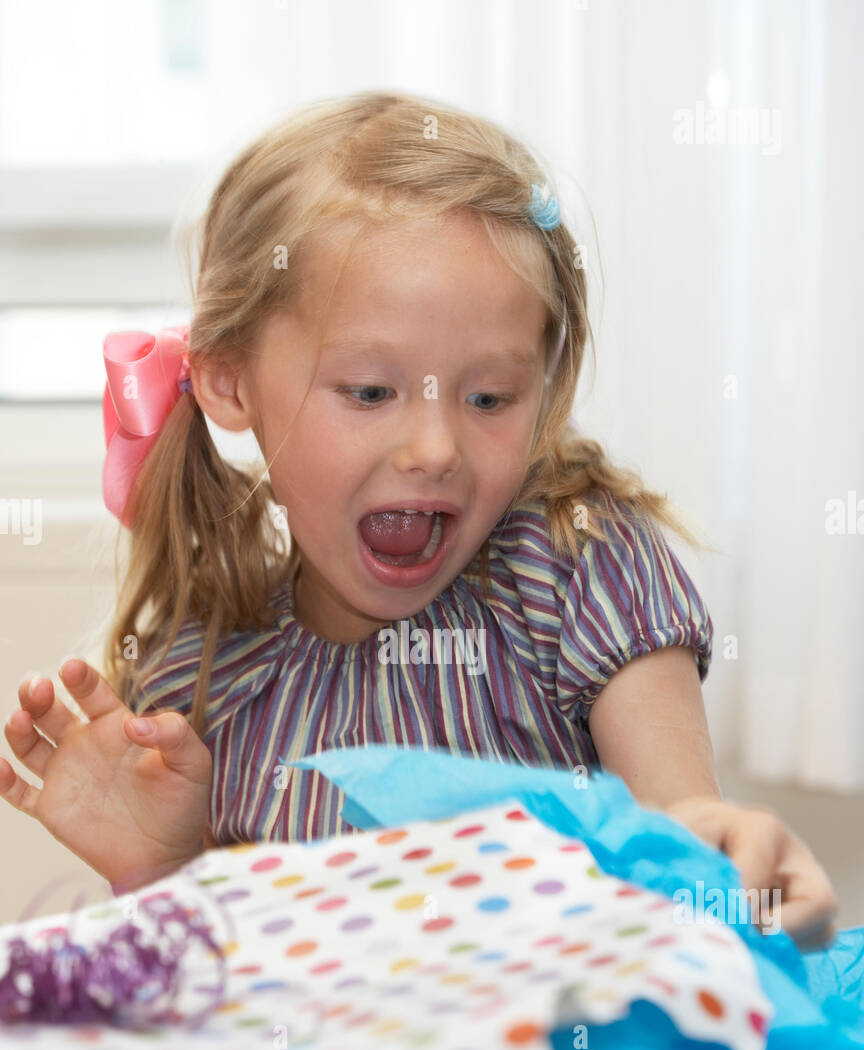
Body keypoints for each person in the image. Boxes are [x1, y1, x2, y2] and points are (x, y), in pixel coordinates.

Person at [0, 90, 837, 947]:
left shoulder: (575, 564)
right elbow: (219, 996)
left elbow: (685, 832)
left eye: (489, 397)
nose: (435, 446)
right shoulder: (200, 671)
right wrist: (160, 871)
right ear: (230, 380)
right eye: (369, 391)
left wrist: (731, 864)